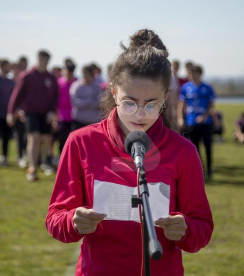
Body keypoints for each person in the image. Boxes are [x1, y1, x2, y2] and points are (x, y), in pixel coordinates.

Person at [46, 29, 213, 276]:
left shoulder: (184, 152)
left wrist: (185, 228)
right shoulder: (81, 142)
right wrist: (72, 221)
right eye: (129, 102)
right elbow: (55, 218)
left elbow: (203, 228)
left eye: (151, 104)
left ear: (166, 99)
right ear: (113, 92)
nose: (140, 114)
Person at [7, 50, 59, 181]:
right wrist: (10, 112)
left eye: (47, 61)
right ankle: (32, 169)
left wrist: (53, 112)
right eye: (42, 60)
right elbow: (16, 95)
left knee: (45, 140)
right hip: (31, 113)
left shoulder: (51, 78)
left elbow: (55, 98)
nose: (44, 63)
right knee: (34, 138)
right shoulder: (27, 75)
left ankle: (43, 163)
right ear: (38, 59)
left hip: (46, 114)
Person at [177, 65, 216, 179]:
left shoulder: (208, 88)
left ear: (199, 73)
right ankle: (200, 170)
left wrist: (204, 116)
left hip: (206, 123)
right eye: (189, 73)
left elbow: (211, 105)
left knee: (208, 145)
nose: (190, 75)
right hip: (191, 122)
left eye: (192, 73)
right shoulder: (185, 87)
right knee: (194, 148)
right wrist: (180, 118)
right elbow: (181, 104)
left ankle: (209, 170)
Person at [69, 65, 102, 130]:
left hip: (93, 120)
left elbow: (100, 102)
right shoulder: (76, 86)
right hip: (79, 119)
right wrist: (90, 102)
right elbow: (75, 102)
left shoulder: (97, 87)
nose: (86, 76)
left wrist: (85, 102)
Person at [57, 58, 77, 157]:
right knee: (61, 139)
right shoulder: (59, 82)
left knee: (71, 140)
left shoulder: (77, 83)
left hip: (73, 116)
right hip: (61, 116)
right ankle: (60, 157)